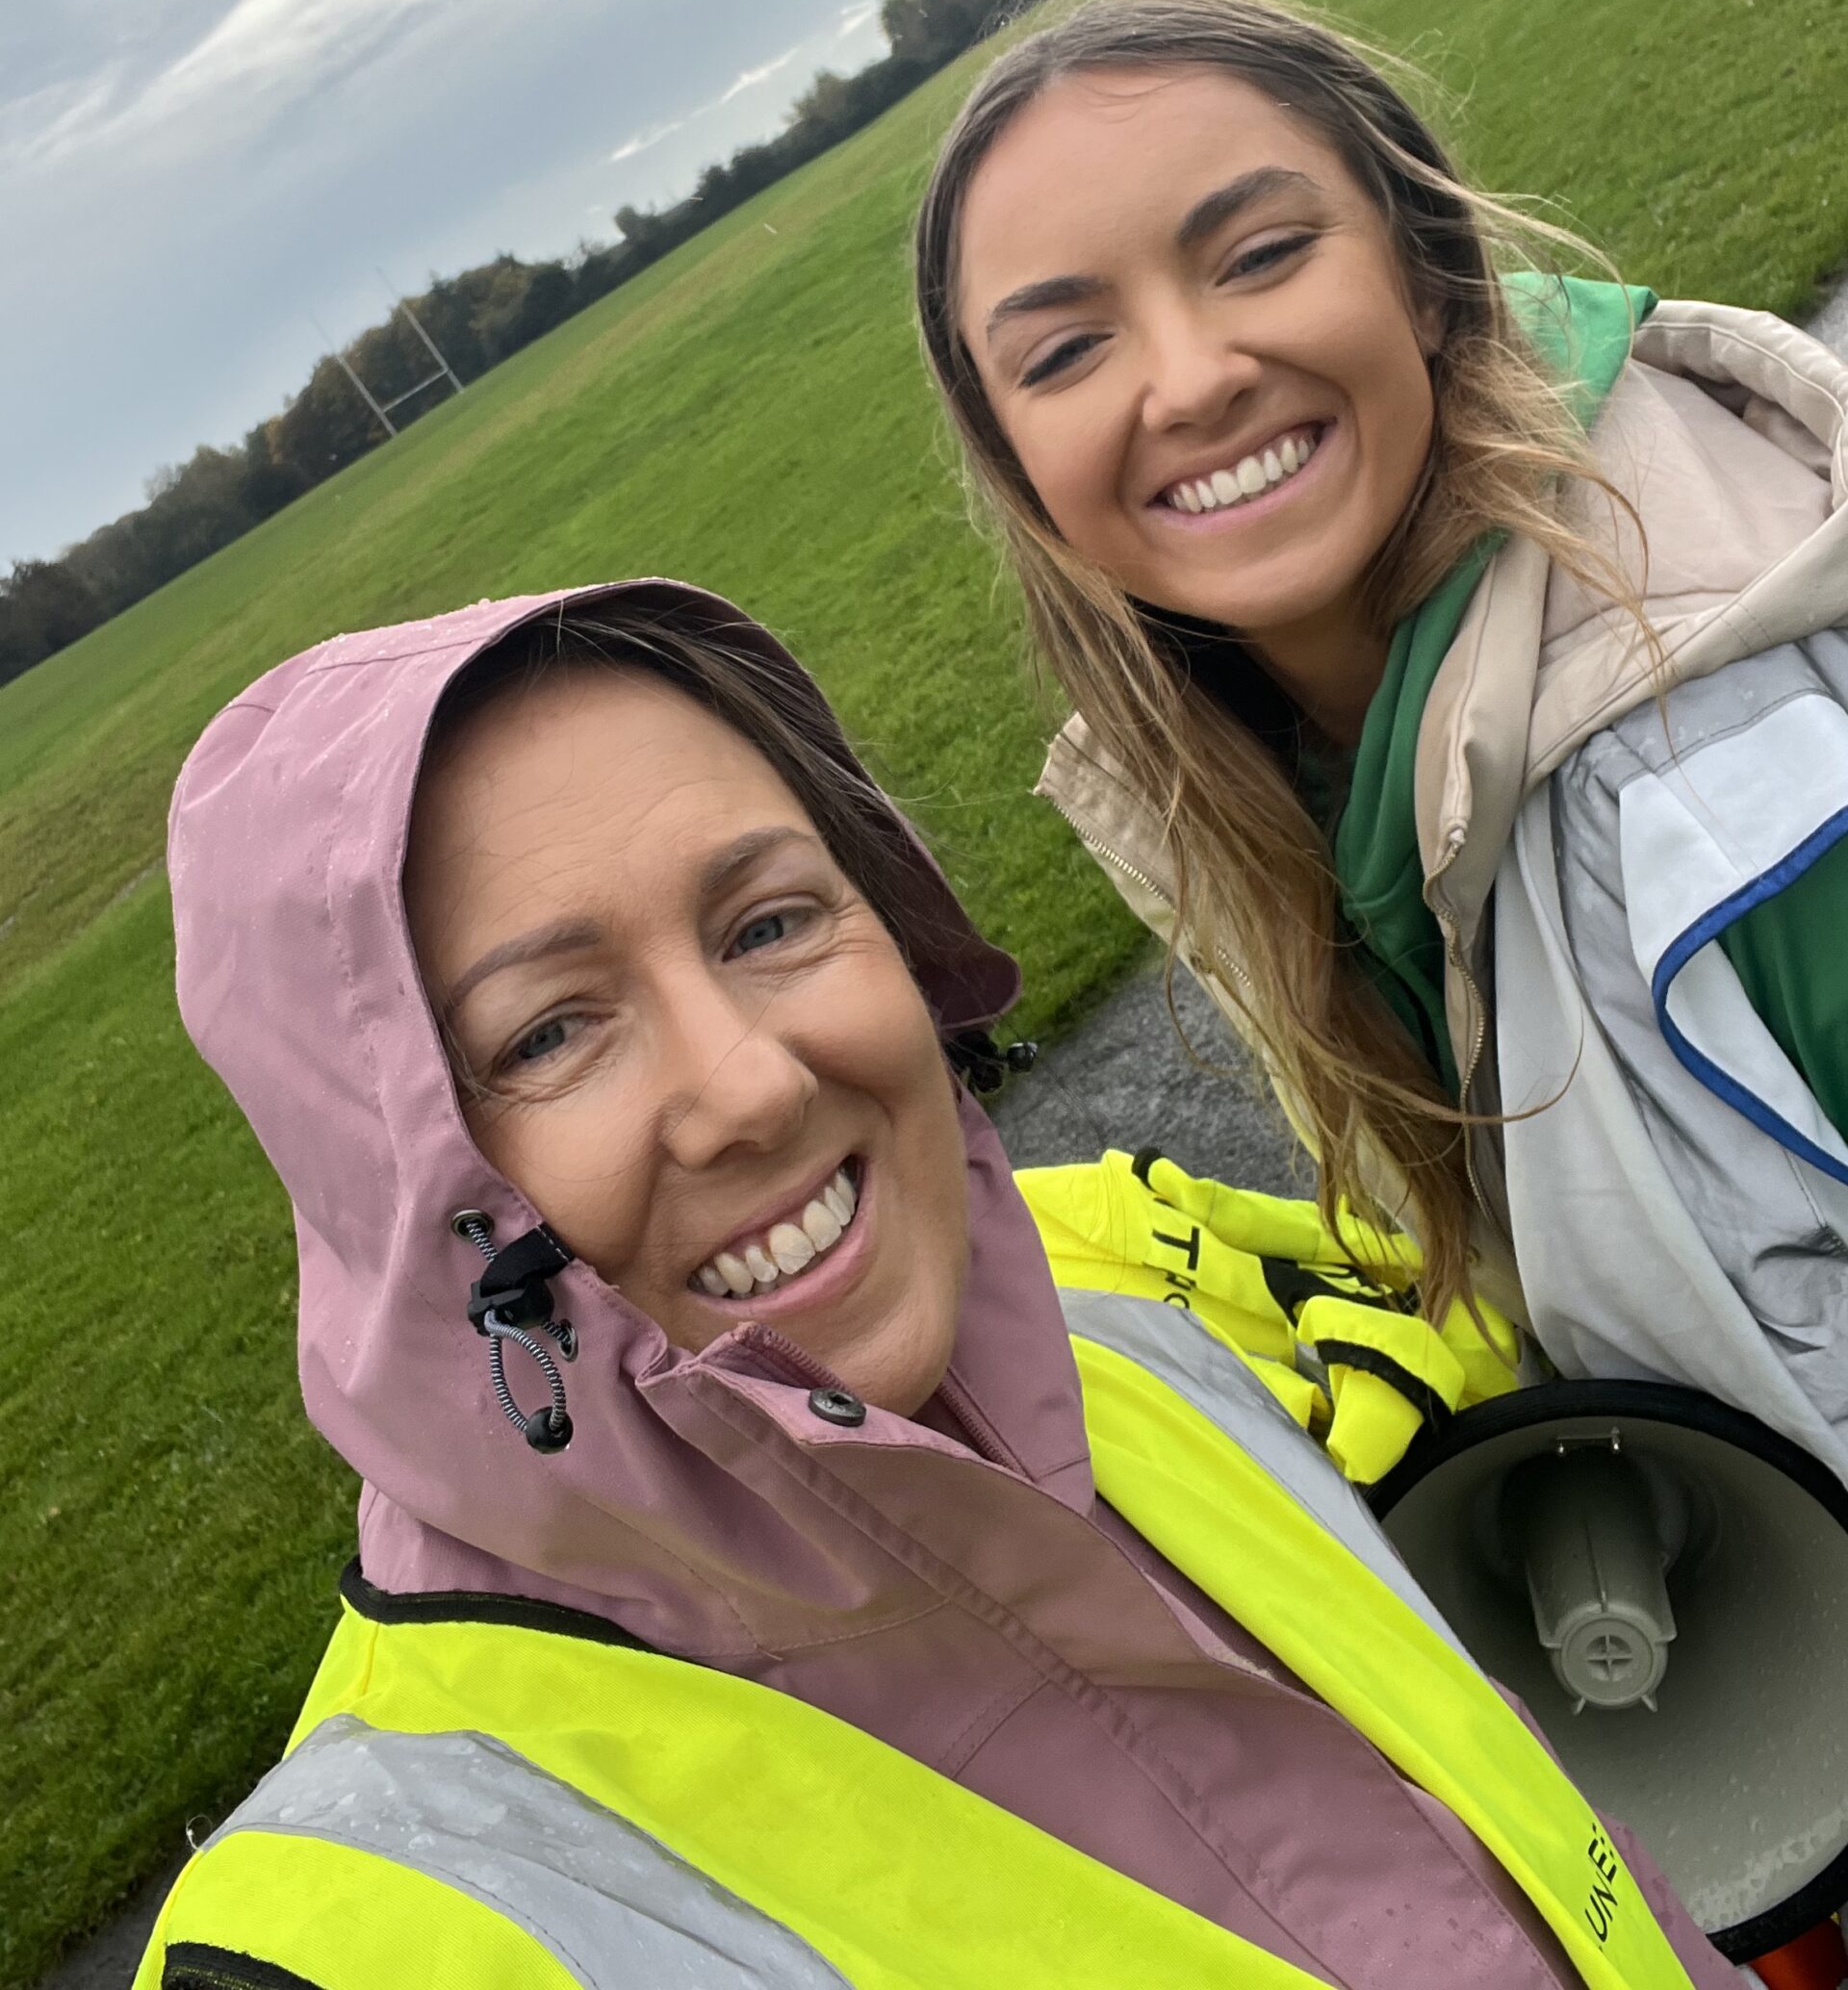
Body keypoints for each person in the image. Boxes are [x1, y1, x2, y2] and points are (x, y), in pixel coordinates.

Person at [140, 580, 1724, 1988]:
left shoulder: (1154, 1375)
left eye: (769, 919)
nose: (751, 1083)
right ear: (396, 1191)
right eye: (551, 1031)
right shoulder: (346, 1946)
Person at [914, 0, 1848, 1481]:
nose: (1194, 377)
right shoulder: (1275, 766)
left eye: (1262, 255)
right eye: (1067, 350)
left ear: (1426, 272)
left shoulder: (1728, 775)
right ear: (1019, 466)